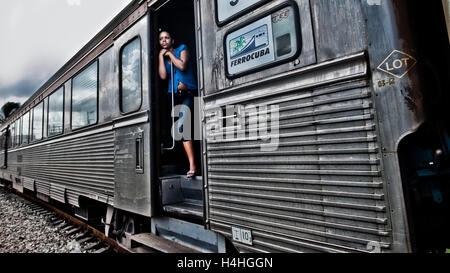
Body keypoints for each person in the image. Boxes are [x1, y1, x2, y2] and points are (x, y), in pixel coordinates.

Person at [158, 30, 198, 179]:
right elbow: (163, 76)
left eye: (166, 38)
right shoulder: (164, 58)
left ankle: (193, 165)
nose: (164, 41)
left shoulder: (182, 49)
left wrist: (169, 55)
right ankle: (188, 164)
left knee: (183, 126)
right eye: (161, 39)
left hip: (188, 93)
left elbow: (182, 66)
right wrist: (160, 57)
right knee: (180, 130)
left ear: (172, 41)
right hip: (173, 96)